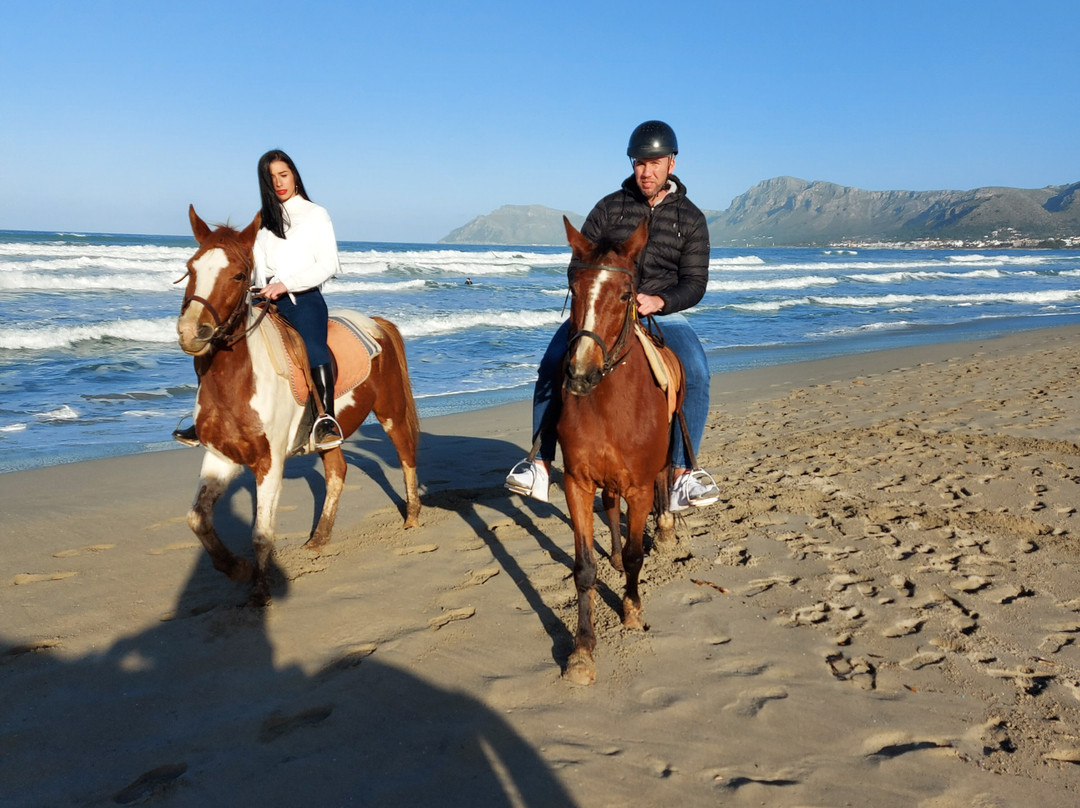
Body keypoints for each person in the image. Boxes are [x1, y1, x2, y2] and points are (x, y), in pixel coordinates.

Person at [505, 120, 720, 512]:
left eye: (655, 163)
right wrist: (594, 291)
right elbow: (578, 262)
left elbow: (695, 283)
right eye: (640, 163)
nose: (646, 171)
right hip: (604, 312)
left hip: (661, 314)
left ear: (672, 163)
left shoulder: (690, 219)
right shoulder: (609, 207)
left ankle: (682, 474)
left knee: (698, 371)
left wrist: (660, 301)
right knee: (553, 361)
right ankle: (538, 462)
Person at [173, 149, 344, 451]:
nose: (279, 183)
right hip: (263, 301)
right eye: (271, 178)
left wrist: (285, 284)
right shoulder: (263, 220)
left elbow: (328, 264)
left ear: (294, 175)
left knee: (314, 348)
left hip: (302, 300)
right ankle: (205, 415)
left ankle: (325, 419)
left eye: (283, 175)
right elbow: (255, 267)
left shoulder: (316, 214)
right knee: (216, 341)